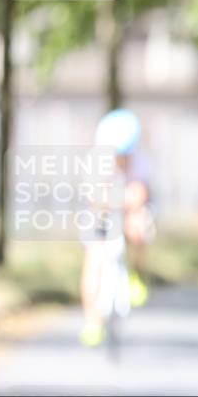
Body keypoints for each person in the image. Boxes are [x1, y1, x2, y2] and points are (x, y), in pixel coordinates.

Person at [79, 108, 154, 346]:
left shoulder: (141, 160)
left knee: (139, 226)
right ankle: (92, 320)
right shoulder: (95, 161)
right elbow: (94, 199)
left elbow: (140, 195)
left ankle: (136, 274)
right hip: (100, 212)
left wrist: (124, 204)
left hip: (126, 207)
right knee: (95, 257)